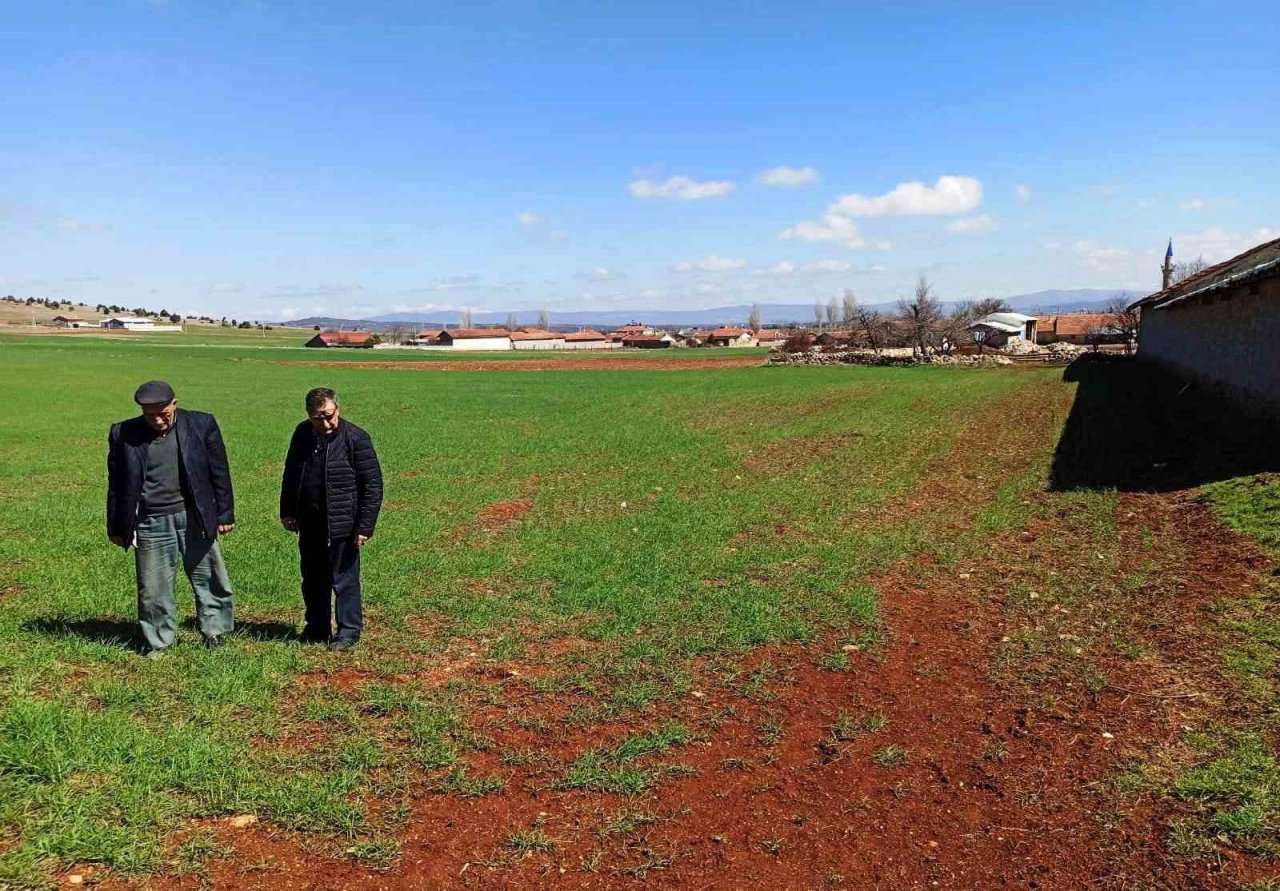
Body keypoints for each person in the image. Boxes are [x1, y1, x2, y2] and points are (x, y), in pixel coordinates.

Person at [107, 380, 236, 657]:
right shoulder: (123, 433)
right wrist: (117, 526)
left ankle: (215, 631)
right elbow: (117, 484)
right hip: (151, 520)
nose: (157, 420)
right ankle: (159, 640)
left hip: (195, 515)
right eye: (149, 414)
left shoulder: (201, 424)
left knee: (209, 576)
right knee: (153, 587)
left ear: (174, 404)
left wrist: (224, 513)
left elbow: (219, 471)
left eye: (163, 413)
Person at [279, 387, 383, 651]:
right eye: (318, 418)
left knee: (344, 580)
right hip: (310, 521)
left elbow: (372, 486)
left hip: (343, 523)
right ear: (309, 415)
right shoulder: (302, 434)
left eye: (328, 416)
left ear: (338, 408)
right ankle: (317, 628)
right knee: (313, 578)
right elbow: (291, 473)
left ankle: (348, 632)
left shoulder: (356, 438)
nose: (325, 424)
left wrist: (364, 526)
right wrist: (288, 510)